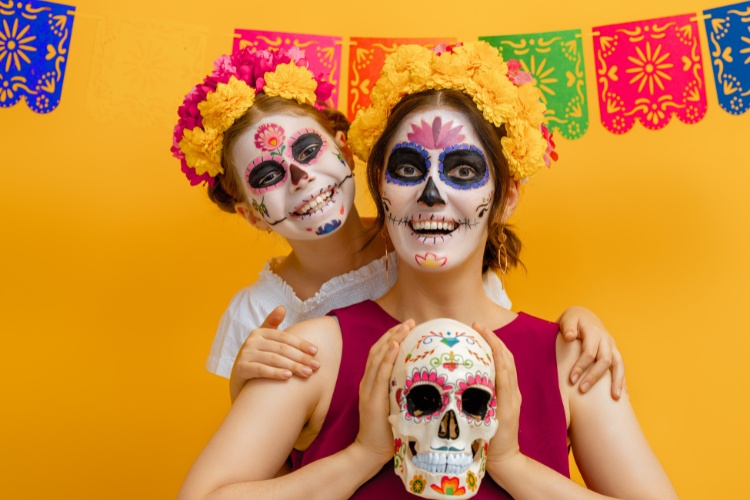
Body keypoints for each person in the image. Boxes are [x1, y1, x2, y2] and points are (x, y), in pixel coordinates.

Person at [177, 42, 676, 498]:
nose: (431, 195)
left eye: (462, 170)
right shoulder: (312, 352)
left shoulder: (571, 359)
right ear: (380, 187)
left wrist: (510, 463)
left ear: (503, 197)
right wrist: (360, 457)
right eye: (409, 170)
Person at [172, 46, 625, 404]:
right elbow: (264, 457)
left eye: (309, 151)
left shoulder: (425, 243)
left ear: (345, 149)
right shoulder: (256, 313)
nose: (300, 177)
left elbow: (501, 334)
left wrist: (572, 327)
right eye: (268, 177)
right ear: (250, 212)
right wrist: (242, 384)